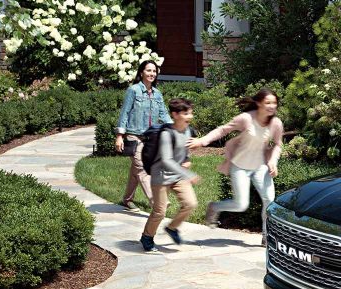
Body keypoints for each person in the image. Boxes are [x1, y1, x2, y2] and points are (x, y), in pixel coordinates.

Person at [188, 89, 283, 227]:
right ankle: (214, 207)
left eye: (274, 103)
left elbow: (278, 144)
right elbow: (222, 130)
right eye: (267, 102)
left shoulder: (276, 123)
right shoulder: (246, 118)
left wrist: (273, 161)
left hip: (260, 166)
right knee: (241, 205)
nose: (271, 106)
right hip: (240, 166)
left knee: (269, 200)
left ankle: (266, 235)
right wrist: (202, 141)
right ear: (258, 103)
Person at [139, 98, 202, 252]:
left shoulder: (188, 131)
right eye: (186, 114)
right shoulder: (167, 134)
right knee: (160, 211)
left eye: (190, 113)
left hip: (178, 175)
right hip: (161, 175)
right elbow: (167, 160)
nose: (190, 117)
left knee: (190, 203)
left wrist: (187, 161)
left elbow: (184, 152)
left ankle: (172, 228)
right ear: (175, 114)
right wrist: (187, 173)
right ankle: (147, 237)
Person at [114, 60, 171, 211]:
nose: (152, 73)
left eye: (154, 71)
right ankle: (157, 201)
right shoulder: (133, 90)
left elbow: (164, 114)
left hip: (149, 138)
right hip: (133, 136)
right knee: (142, 169)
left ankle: (127, 200)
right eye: (149, 70)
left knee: (136, 170)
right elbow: (125, 112)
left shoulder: (157, 94)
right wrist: (120, 135)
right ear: (141, 73)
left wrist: (176, 129)